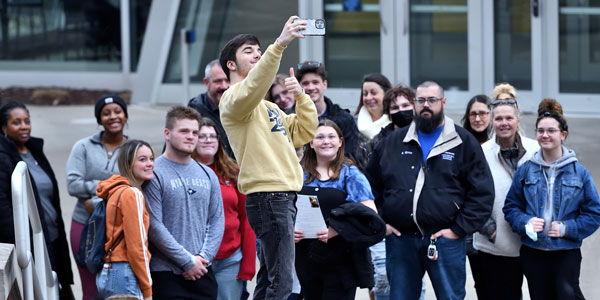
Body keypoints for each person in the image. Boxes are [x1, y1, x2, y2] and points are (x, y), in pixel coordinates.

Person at [365, 80, 494, 299]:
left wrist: (458, 229)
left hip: (446, 241)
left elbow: (482, 192)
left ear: (443, 102)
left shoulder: (463, 142)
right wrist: (381, 223)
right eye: (421, 100)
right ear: (415, 104)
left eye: (432, 100)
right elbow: (370, 187)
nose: (426, 105)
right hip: (401, 240)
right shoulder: (393, 143)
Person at [219, 16, 318, 300]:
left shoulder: (266, 107)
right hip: (269, 196)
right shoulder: (232, 99)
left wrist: (301, 97)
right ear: (231, 65)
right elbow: (253, 86)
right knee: (282, 282)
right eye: (248, 50)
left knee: (270, 279)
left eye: (259, 50)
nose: (257, 53)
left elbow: (303, 133)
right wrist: (280, 45)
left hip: (281, 196)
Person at [503, 98, 600, 300]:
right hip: (534, 251)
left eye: (551, 131)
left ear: (563, 135)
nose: (545, 135)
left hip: (566, 251)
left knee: (567, 293)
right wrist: (525, 222)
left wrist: (567, 228)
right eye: (540, 131)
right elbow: (511, 207)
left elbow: (594, 214)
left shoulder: (579, 173)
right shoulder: (526, 170)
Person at [143, 106, 224, 299]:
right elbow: (154, 225)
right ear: (167, 134)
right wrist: (187, 262)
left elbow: (217, 220)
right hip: (166, 274)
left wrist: (202, 259)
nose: (191, 137)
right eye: (184, 131)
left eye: (195, 132)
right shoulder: (153, 174)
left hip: (203, 271)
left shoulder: (208, 174)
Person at [295, 119, 382, 300]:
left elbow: (370, 214)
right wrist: (290, 230)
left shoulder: (350, 174)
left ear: (340, 142)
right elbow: (285, 209)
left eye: (331, 136)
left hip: (340, 260)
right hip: (304, 259)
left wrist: (337, 229)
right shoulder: (297, 174)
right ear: (311, 143)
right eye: (319, 137)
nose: (326, 141)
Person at [0, 102, 74, 299]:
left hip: (53, 238)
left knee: (59, 289)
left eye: (27, 121)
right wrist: (20, 243)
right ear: (4, 128)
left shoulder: (34, 150)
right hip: (30, 244)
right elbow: (4, 207)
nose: (24, 126)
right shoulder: (4, 157)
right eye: (16, 122)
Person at [471, 96, 538, 299]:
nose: (504, 123)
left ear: (518, 120)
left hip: (535, 245)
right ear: (492, 122)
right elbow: (470, 197)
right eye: (498, 119)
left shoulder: (536, 150)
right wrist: (492, 232)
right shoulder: (480, 153)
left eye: (509, 117)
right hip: (496, 247)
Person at [66, 93, 129, 300]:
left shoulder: (134, 149)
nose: (113, 117)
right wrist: (115, 184)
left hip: (120, 229)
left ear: (125, 116)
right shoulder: (83, 146)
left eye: (118, 111)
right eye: (106, 113)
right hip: (85, 225)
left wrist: (94, 194)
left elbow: (136, 185)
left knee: (118, 287)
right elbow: (73, 184)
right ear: (99, 119)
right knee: (90, 288)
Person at [192, 118, 256, 300]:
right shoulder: (183, 171)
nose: (207, 140)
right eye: (201, 135)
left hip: (230, 258)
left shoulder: (233, 172)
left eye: (213, 136)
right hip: (194, 260)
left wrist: (248, 265)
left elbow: (246, 219)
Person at [95, 139, 155, 299]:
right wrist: (148, 289)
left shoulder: (115, 190)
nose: (149, 164)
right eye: (142, 160)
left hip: (109, 271)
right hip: (125, 272)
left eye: (151, 158)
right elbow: (137, 247)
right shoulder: (132, 194)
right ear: (128, 164)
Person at [296, 61, 367, 169]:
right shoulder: (292, 119)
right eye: (305, 83)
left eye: (315, 82)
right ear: (299, 87)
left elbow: (353, 158)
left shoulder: (344, 119)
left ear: (324, 84)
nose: (310, 87)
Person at [188, 59, 234, 158]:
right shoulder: (194, 112)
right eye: (218, 81)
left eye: (228, 80)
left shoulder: (243, 107)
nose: (224, 86)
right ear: (206, 82)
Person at [354, 73, 392, 140]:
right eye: (365, 94)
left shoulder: (396, 123)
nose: (368, 98)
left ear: (386, 94)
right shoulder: (352, 123)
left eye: (373, 93)